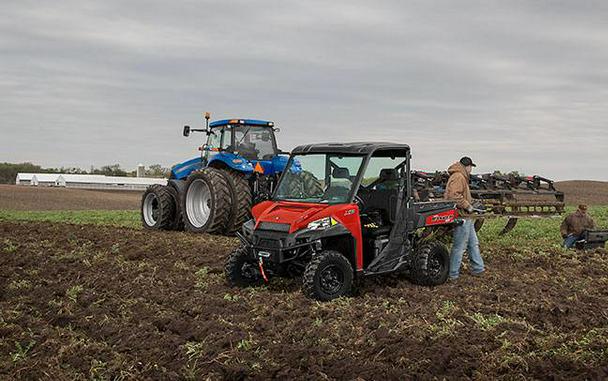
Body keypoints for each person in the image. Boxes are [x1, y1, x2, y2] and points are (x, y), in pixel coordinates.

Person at [444, 156, 485, 280]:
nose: (471, 170)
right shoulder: (458, 177)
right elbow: (453, 195)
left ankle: (478, 268)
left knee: (473, 243)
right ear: (467, 166)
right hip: (461, 215)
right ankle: (453, 274)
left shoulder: (460, 176)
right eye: (471, 167)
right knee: (459, 246)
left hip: (466, 215)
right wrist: (467, 205)